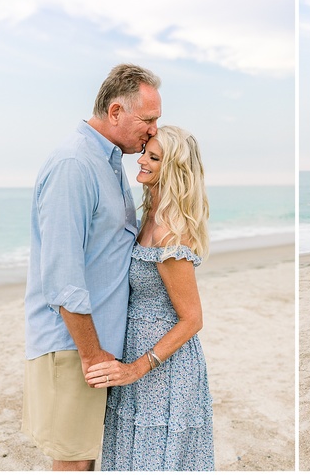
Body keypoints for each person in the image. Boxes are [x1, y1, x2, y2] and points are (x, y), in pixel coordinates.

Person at [21, 63, 162, 471]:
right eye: (148, 119)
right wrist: (91, 355)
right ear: (116, 112)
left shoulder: (111, 161)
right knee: (73, 462)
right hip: (73, 346)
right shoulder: (74, 164)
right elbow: (63, 278)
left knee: (87, 459)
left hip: (95, 345)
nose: (153, 129)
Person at [85, 125, 214, 471]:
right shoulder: (147, 219)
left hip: (164, 367)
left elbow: (193, 318)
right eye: (145, 152)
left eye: (153, 157)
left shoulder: (169, 233)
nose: (141, 160)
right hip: (135, 354)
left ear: (173, 169)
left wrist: (136, 369)